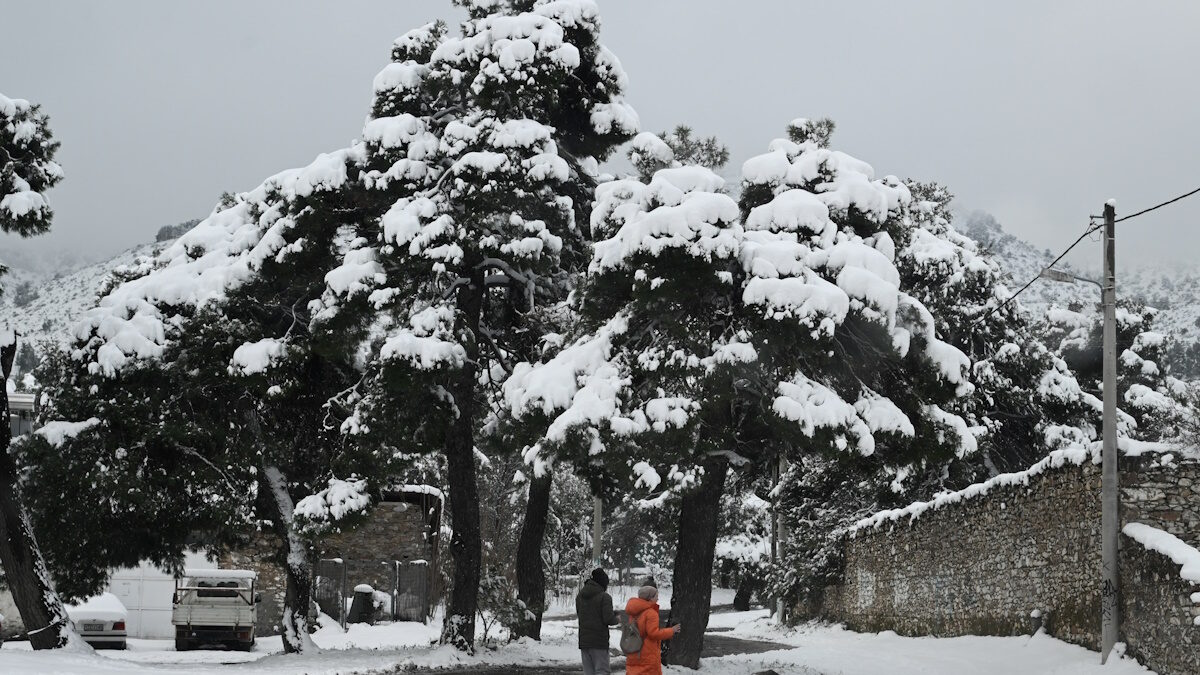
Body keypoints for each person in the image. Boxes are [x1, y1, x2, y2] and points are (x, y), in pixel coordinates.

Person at [624, 585, 680, 675]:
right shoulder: (651, 613)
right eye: (656, 596)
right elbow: (653, 634)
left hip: (635, 650)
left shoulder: (634, 612)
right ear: (650, 598)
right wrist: (671, 631)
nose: (658, 599)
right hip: (648, 652)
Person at [576, 568, 619, 675]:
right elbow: (608, 619)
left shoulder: (580, 596)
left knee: (589, 672)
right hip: (599, 641)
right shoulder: (605, 597)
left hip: (584, 640)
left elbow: (584, 614)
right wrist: (617, 618)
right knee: (602, 671)